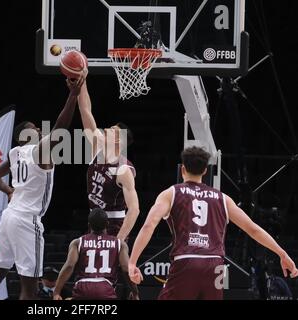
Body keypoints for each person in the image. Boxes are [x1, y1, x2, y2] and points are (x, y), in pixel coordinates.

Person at [128, 146, 298, 300]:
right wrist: (282, 253)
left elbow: (149, 225)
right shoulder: (223, 198)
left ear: (182, 169)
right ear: (205, 171)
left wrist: (132, 262)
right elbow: (253, 229)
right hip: (215, 265)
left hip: (186, 260)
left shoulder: (170, 193)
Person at [0, 75, 86, 300]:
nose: (38, 129)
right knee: (29, 289)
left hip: (8, 218)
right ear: (26, 136)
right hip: (26, 221)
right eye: (34, 128)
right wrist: (73, 95)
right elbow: (60, 128)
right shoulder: (38, 151)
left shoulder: (15, 154)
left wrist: (8, 191)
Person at [78, 82, 139, 240]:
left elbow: (134, 209)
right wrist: (81, 81)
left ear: (119, 141)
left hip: (113, 226)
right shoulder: (97, 148)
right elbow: (85, 110)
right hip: (93, 222)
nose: (106, 129)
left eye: (113, 130)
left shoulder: (123, 170)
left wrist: (118, 242)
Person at [53, 208, 139, 300]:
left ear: (89, 225)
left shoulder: (77, 242)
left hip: (82, 287)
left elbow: (69, 266)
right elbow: (126, 269)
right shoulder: (120, 244)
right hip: (105, 287)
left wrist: (57, 291)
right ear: (107, 224)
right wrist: (135, 292)